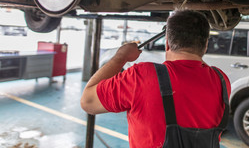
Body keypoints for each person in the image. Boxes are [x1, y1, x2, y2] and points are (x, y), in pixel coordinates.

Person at [81, 10, 231, 148]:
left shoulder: (142, 75)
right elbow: (197, 65)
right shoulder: (221, 80)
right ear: (205, 46)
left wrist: (121, 57)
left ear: (167, 43)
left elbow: (88, 102)